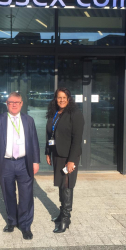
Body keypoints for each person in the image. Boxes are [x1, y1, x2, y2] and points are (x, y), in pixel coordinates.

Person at [0, 92, 40, 240]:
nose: (14, 104)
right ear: (6, 104)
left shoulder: (29, 120)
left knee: (26, 196)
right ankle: (12, 221)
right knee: (8, 193)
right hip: (6, 163)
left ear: (22, 103)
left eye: (17, 102)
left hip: (24, 163)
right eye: (11, 102)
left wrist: (36, 161)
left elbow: (35, 142)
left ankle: (25, 225)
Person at [45, 87, 84, 233]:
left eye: (64, 98)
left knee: (67, 186)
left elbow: (77, 139)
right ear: (56, 99)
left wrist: (72, 160)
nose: (61, 100)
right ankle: (61, 214)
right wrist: (48, 152)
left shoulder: (75, 114)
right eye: (59, 97)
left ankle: (66, 219)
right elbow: (50, 134)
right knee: (61, 184)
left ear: (69, 99)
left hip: (69, 156)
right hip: (57, 154)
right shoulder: (54, 113)